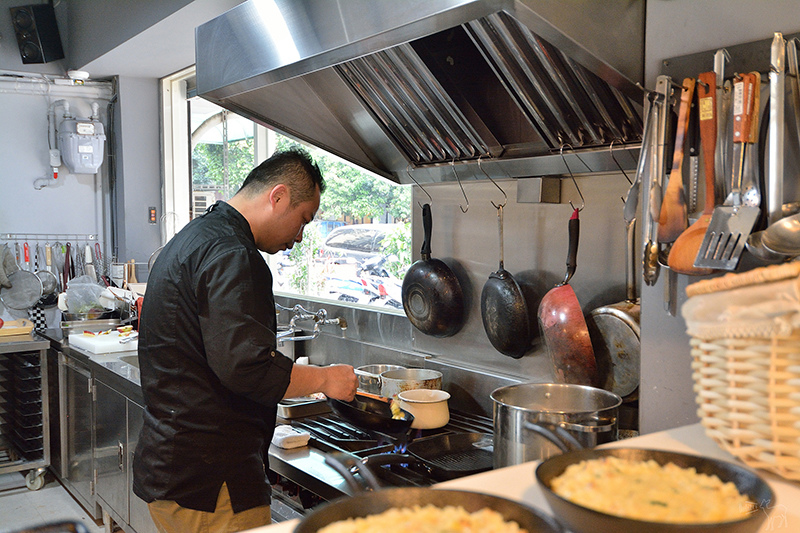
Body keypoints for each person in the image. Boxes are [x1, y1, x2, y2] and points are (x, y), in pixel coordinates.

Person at [132, 148, 358, 533]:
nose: (300, 237)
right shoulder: (233, 253)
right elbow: (247, 367)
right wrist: (325, 379)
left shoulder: (194, 237)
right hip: (212, 482)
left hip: (175, 467)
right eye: (303, 220)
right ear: (279, 197)